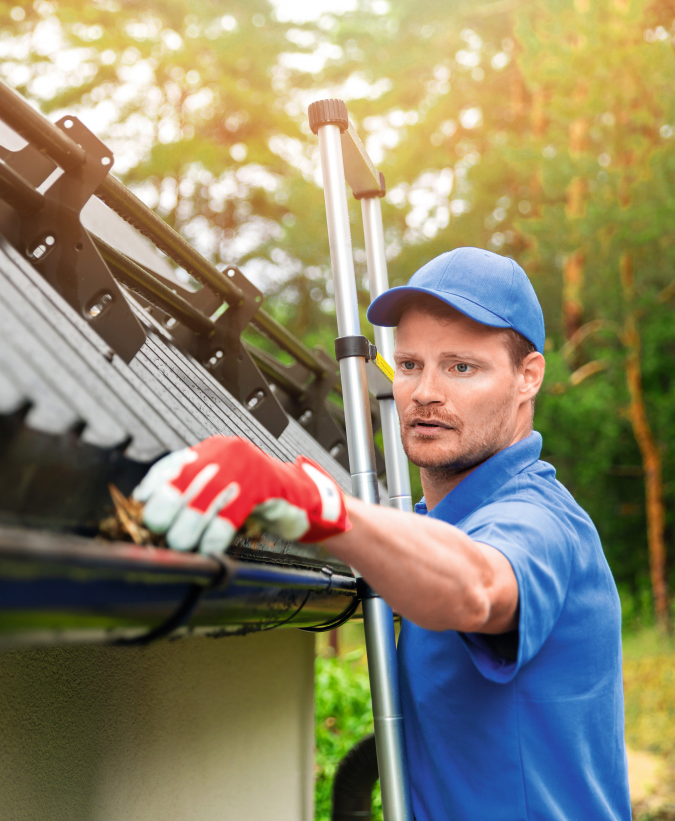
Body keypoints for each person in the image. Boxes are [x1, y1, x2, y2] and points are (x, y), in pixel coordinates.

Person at [132, 247, 630, 821]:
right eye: (411, 364)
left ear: (528, 376)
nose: (424, 393)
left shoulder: (539, 520)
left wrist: (315, 504)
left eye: (461, 367)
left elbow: (478, 585)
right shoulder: (431, 524)